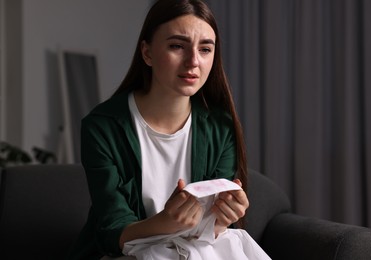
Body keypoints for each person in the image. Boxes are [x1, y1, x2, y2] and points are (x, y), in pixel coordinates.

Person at [68, 0, 270, 259]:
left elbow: (210, 232)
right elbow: (111, 232)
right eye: (177, 46)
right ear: (147, 53)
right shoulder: (102, 127)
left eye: (206, 49)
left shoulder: (220, 127)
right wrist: (167, 221)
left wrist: (223, 218)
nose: (194, 61)